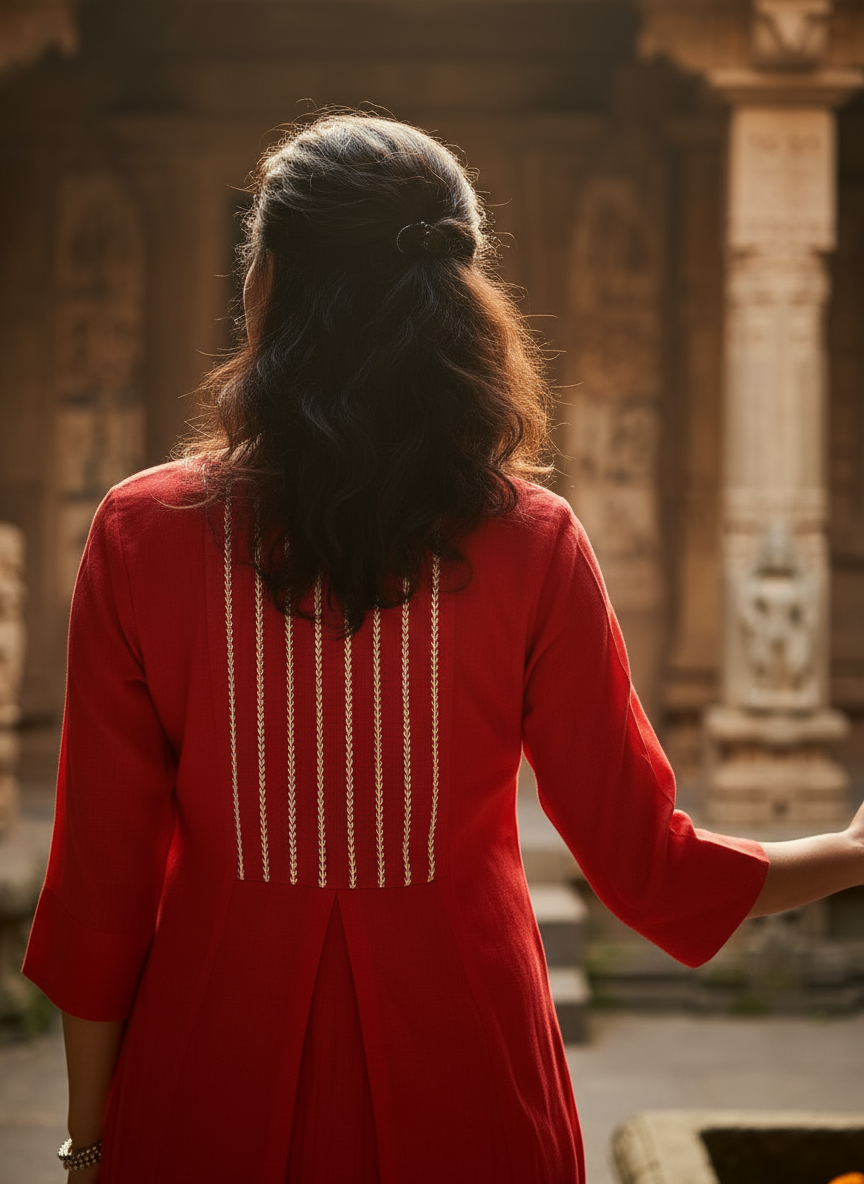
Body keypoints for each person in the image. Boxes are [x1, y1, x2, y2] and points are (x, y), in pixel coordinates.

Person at [23, 112, 864, 1184]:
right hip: (478, 1094)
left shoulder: (139, 534)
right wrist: (850, 851)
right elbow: (648, 865)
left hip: (201, 1092)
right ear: (458, 303)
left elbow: (100, 896)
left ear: (266, 284)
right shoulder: (534, 544)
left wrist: (90, 1140)